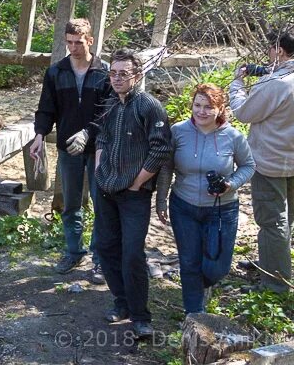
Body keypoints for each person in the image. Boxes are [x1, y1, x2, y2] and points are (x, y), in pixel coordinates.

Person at [94, 49, 173, 338]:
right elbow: (102, 135)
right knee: (105, 247)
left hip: (134, 195)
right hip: (106, 189)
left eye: (123, 73)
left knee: (132, 255)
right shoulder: (112, 103)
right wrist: (100, 168)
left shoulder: (149, 106)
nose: (116, 78)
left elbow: (161, 149)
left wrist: (138, 183)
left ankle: (141, 316)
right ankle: (122, 303)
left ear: (137, 75)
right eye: (113, 73)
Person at [156, 84, 254, 314]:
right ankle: (194, 316)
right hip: (184, 206)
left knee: (216, 267)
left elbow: (249, 166)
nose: (201, 111)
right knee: (189, 263)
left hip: (222, 210)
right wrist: (161, 200)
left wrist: (231, 184)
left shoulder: (233, 136)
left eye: (208, 107)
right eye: (197, 105)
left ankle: (200, 287)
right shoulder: (178, 131)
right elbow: (166, 168)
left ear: (220, 109)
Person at [28, 19, 112, 278]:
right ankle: (74, 252)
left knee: (102, 204)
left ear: (90, 41)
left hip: (99, 148)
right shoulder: (56, 72)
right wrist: (40, 134)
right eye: (69, 42)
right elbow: (46, 108)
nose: (73, 47)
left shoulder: (105, 72)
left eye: (78, 42)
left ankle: (100, 258)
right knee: (70, 202)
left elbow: (110, 112)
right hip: (68, 147)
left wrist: (90, 132)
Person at [228, 28, 294, 292]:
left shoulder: (275, 84)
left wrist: (236, 83)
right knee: (284, 220)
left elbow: (243, 112)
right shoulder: (281, 78)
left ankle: (274, 286)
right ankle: (271, 263)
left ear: (278, 50)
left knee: (272, 222)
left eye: (270, 49)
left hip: (271, 163)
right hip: (289, 161)